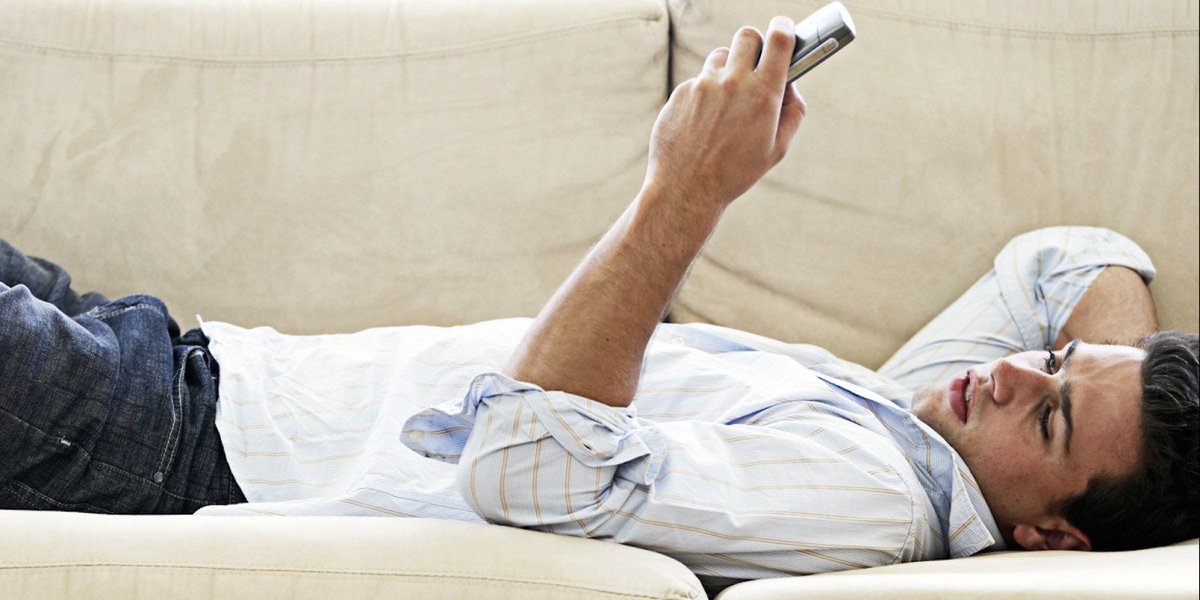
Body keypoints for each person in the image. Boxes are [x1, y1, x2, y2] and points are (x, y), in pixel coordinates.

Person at [1, 16, 1196, 581]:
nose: (1014, 371)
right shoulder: (924, 425)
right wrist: (1098, 399)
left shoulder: (866, 498)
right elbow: (1067, 257)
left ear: (1052, 539)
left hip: (174, 450)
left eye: (1049, 416)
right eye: (1052, 362)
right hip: (189, 365)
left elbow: (529, 470)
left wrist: (685, 192)